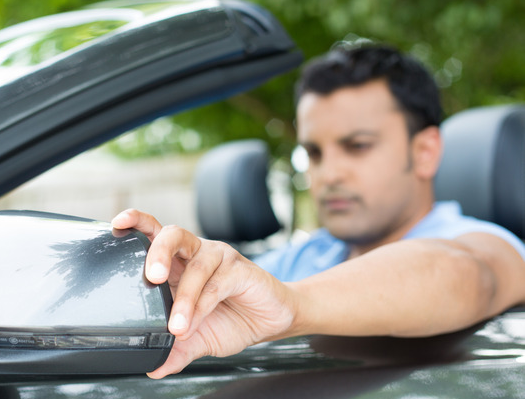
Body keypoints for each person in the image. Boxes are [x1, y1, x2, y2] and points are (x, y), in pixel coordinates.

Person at [111, 45, 525, 380]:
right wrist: (162, 291)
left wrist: (292, 304)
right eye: (314, 153)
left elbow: (467, 275)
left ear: (425, 152)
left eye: (358, 145)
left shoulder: (484, 244)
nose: (328, 174)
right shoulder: (302, 256)